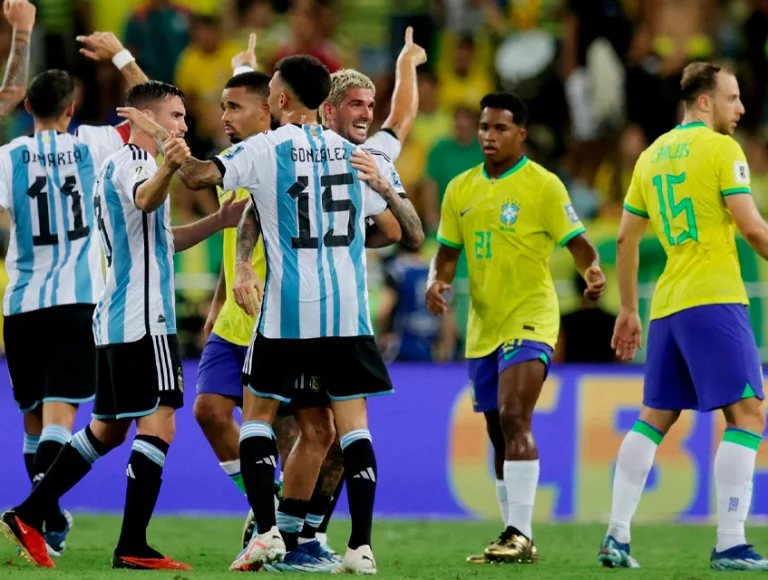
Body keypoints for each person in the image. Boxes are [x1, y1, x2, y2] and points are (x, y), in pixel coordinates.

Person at [0, 80, 247, 570]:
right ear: (148, 118)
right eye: (176, 115)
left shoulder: (122, 164)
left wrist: (218, 221)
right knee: (160, 423)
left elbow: (161, 239)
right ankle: (132, 544)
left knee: (106, 430)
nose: (183, 124)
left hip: (116, 317)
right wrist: (170, 166)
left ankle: (28, 513)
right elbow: (145, 200)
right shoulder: (138, 162)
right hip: (144, 318)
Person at [178, 54, 408, 574]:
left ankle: (269, 534)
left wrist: (173, 149)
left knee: (259, 417)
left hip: (285, 312)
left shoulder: (267, 147)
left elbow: (200, 177)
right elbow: (402, 230)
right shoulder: (359, 155)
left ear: (279, 99)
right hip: (345, 314)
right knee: (351, 429)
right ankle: (359, 546)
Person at [425, 91, 605, 564]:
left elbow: (580, 245)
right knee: (497, 430)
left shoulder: (544, 186)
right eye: (485, 127)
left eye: (500, 128)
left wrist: (592, 272)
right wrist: (436, 283)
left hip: (531, 317)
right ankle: (514, 537)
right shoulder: (460, 188)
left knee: (513, 415)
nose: (489, 136)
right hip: (483, 325)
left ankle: (520, 533)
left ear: (520, 134)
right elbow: (446, 254)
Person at [601, 62, 768, 571]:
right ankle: (731, 543)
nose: (740, 108)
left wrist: (627, 308)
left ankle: (616, 535)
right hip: (713, 297)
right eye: (732, 98)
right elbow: (753, 228)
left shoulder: (649, 157)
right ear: (704, 101)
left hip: (667, 306)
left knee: (654, 417)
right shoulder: (721, 149)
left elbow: (625, 240)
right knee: (748, 415)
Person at [4, 27, 152, 556]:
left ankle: (45, 521)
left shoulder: (9, 156)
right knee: (60, 418)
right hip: (78, 300)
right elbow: (151, 116)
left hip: (21, 303)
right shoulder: (93, 143)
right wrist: (121, 57)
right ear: (72, 109)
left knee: (33, 417)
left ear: (28, 106)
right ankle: (41, 520)